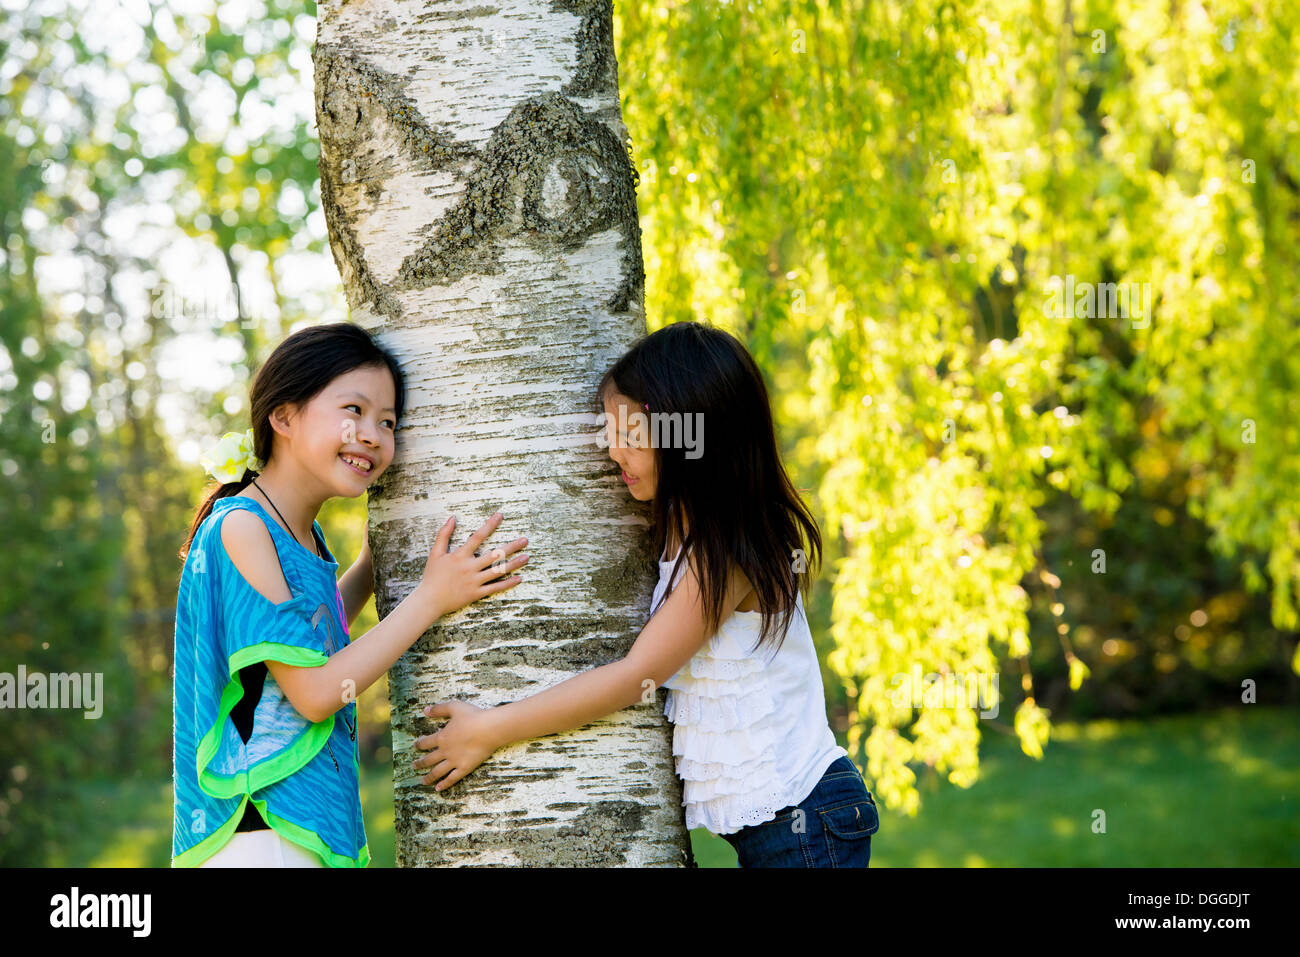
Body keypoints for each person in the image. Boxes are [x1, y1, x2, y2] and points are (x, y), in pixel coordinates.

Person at [414, 321, 879, 867]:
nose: (614, 451)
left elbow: (638, 674)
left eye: (632, 436)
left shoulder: (727, 551)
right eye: (611, 433)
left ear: (695, 435)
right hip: (788, 826)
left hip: (806, 820)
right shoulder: (684, 530)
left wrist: (492, 727)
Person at [171, 321, 529, 867]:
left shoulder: (297, 532)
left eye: (387, 422)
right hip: (260, 835)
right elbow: (313, 692)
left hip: (293, 831)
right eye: (354, 411)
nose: (372, 435)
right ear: (284, 415)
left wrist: (369, 564)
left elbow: (310, 634)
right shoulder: (241, 527)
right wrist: (431, 598)